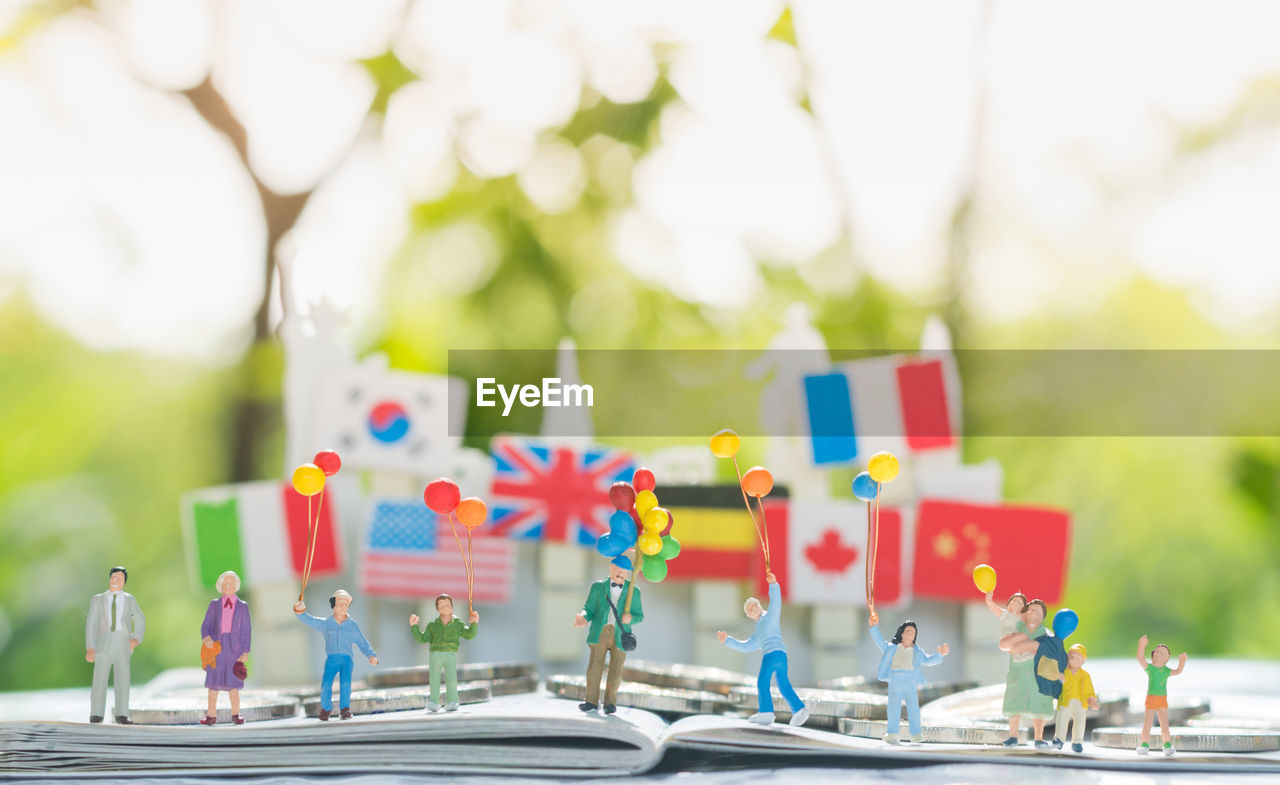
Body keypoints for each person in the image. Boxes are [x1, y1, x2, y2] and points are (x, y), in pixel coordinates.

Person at [717, 572, 809, 727]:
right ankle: (799, 710)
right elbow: (745, 646)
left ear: (760, 605)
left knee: (762, 683)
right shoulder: (758, 634)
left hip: (772, 655)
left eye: (754, 605)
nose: (753, 609)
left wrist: (773, 585)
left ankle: (766, 712)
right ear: (749, 616)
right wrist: (728, 640)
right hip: (781, 656)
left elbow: (776, 603)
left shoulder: (770, 617)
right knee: (783, 684)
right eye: (750, 610)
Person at [573, 553, 643, 714]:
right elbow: (589, 608)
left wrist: (630, 618)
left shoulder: (634, 592)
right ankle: (591, 700)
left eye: (625, 572)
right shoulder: (598, 587)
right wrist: (583, 617)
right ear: (610, 568)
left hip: (620, 635)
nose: (621, 574)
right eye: (618, 570)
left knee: (616, 671)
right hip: (600, 632)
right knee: (594, 667)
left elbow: (640, 616)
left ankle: (610, 702)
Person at [293, 590, 379, 720]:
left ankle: (345, 709)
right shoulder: (326, 624)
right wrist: (299, 610)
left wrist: (371, 655)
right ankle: (326, 708)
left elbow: (362, 642)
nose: (343, 606)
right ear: (333, 604)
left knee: (345, 683)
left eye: (346, 604)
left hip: (347, 660)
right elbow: (309, 620)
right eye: (340, 603)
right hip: (332, 659)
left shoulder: (352, 626)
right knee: (326, 683)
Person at [869, 618, 949, 743]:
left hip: (910, 681)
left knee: (913, 708)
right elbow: (880, 641)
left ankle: (916, 734)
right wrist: (874, 627)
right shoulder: (892, 648)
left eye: (913, 632)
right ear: (901, 633)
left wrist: (939, 655)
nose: (911, 633)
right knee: (893, 708)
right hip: (895, 679)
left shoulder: (917, 651)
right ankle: (892, 734)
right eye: (908, 631)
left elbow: (928, 661)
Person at [86, 566, 145, 724]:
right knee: (99, 680)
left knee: (123, 680)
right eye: (114, 577)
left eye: (119, 578)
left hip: (122, 642)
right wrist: (90, 647)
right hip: (103, 643)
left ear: (124, 581)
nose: (116, 580)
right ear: (110, 579)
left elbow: (140, 618)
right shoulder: (98, 599)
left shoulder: (129, 599)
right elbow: (91, 624)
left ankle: (122, 714)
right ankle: (96, 714)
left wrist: (136, 638)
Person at [999, 598, 1055, 748]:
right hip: (1018, 674)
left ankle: (1039, 737)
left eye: (1036, 611)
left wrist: (1026, 646)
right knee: (1015, 706)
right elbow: (1004, 645)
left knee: (1039, 708)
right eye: (1030, 609)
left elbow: (1046, 649)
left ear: (1042, 616)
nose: (1031, 612)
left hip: (1039, 676)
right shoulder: (1017, 628)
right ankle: (1012, 736)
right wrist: (1024, 642)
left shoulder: (1046, 634)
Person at [409, 594, 478, 712]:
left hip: (451, 654)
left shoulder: (457, 624)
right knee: (434, 679)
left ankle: (452, 701)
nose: (445, 607)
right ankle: (434, 702)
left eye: (448, 605)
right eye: (442, 605)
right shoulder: (432, 625)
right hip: (435, 654)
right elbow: (422, 639)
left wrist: (474, 623)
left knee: (451, 678)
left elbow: (469, 635)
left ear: (452, 607)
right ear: (437, 609)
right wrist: (414, 626)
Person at [199, 571, 252, 725]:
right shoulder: (214, 605)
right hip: (217, 646)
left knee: (234, 684)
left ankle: (236, 714)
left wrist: (245, 651)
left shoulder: (242, 606)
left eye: (231, 583)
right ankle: (211, 715)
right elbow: (205, 625)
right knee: (213, 684)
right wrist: (207, 637)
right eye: (225, 584)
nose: (228, 586)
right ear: (220, 586)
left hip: (234, 648)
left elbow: (246, 630)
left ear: (236, 586)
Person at [1136, 634, 1187, 756]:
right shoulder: (1150, 668)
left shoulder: (1166, 671)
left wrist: (1182, 662)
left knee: (1164, 724)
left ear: (1167, 658)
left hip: (1162, 700)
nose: (1158, 654)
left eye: (1163, 654)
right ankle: (1144, 744)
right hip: (1151, 699)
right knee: (1147, 723)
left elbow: (1178, 671)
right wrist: (1141, 645)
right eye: (1157, 652)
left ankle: (1167, 744)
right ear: (1153, 655)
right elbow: (1140, 658)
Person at [1052, 643, 1098, 753]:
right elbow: (1055, 683)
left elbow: (1089, 689)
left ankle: (1077, 742)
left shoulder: (1084, 675)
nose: (1075, 660)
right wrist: (1058, 678)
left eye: (1078, 657)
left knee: (1080, 723)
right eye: (1072, 657)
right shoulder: (1063, 672)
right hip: (1065, 701)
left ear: (1083, 661)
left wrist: (1091, 699)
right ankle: (1059, 739)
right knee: (1062, 719)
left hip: (1080, 702)